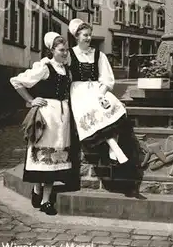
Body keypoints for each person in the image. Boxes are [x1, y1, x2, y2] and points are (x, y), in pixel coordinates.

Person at [10, 33, 73, 215]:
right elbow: (17, 81)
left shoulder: (66, 70)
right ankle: (41, 195)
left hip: (62, 118)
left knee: (55, 159)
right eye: (61, 50)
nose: (64, 53)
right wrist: (31, 100)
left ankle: (44, 198)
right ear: (51, 50)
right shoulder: (45, 68)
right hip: (46, 117)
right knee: (43, 157)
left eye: (66, 50)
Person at [67, 18, 128, 164]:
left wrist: (101, 93)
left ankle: (113, 149)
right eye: (85, 35)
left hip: (96, 89)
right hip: (78, 93)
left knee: (114, 107)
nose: (88, 38)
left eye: (89, 35)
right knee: (93, 113)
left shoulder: (98, 55)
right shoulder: (69, 54)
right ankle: (115, 149)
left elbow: (107, 78)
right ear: (77, 37)